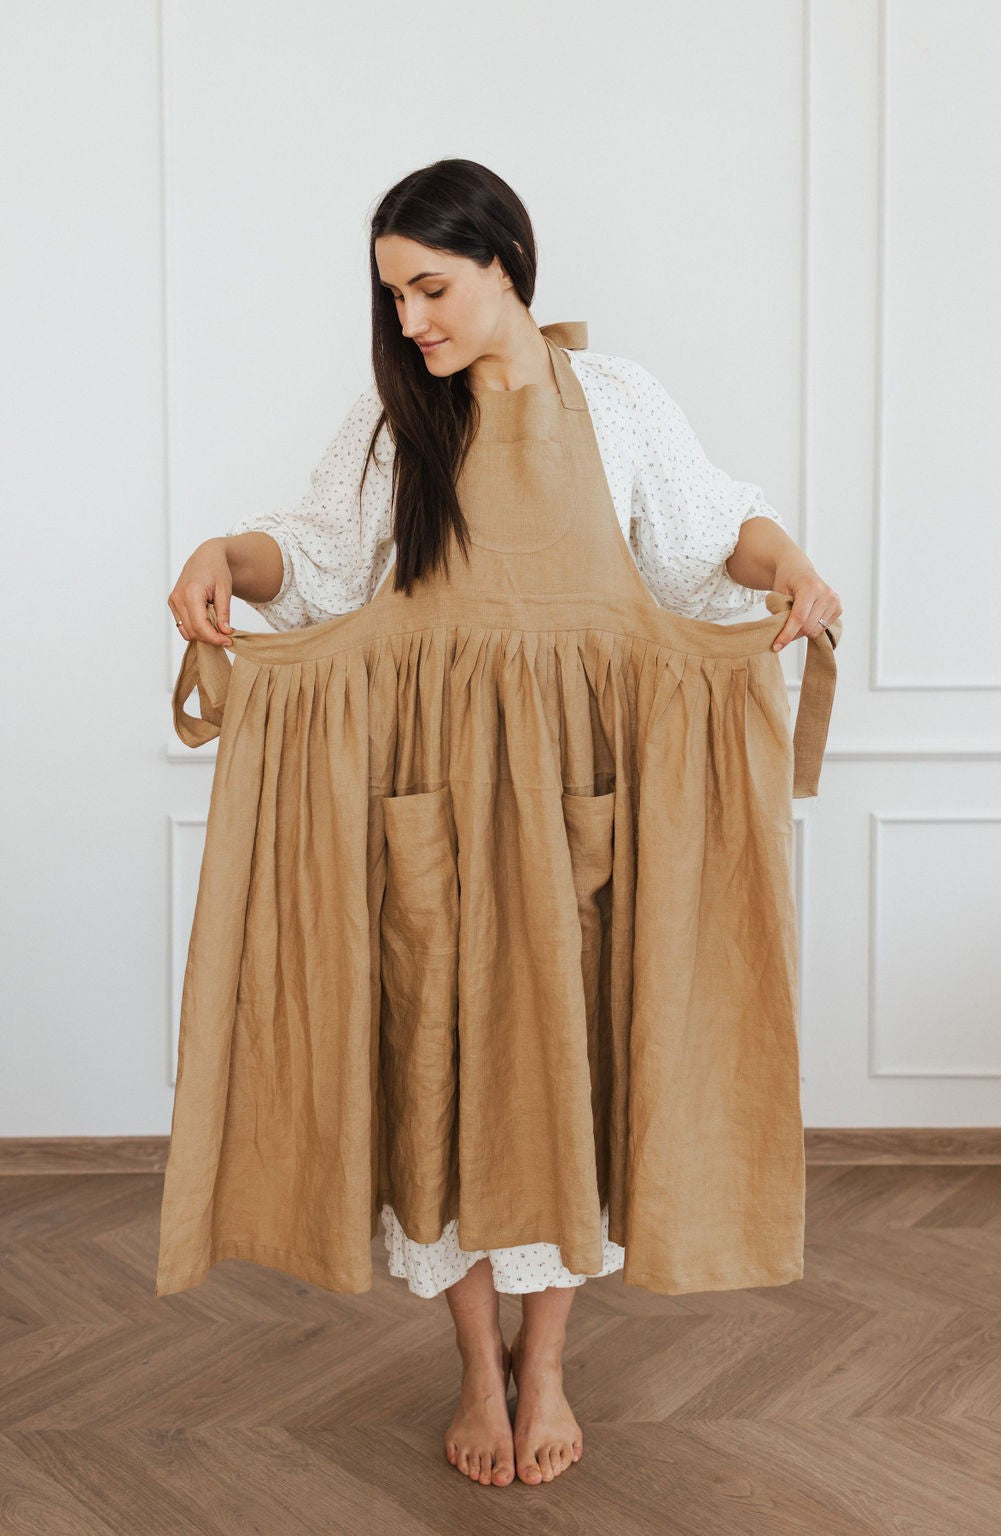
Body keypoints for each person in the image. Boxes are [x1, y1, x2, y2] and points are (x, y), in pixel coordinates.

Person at [165, 158, 842, 1490]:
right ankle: (480, 1366)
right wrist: (218, 560)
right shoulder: (396, 425)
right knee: (445, 1074)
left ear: (507, 265)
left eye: (431, 288)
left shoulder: (620, 403)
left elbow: (713, 535)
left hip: (584, 806)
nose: (409, 319)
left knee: (571, 1069)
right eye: (393, 297)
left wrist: (794, 568)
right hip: (435, 813)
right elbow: (311, 561)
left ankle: (550, 1362)